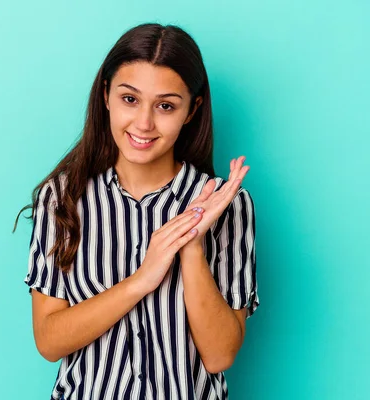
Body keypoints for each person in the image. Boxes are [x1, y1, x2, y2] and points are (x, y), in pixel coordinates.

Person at [14, 22, 259, 400]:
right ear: (107, 95)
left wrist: (191, 243)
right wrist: (142, 280)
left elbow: (219, 354)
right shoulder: (61, 198)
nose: (144, 123)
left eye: (165, 106)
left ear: (191, 110)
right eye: (130, 99)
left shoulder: (227, 205)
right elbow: (48, 341)